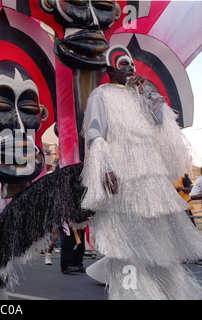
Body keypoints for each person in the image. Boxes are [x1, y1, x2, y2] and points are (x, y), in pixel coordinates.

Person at [81, 45, 202, 299]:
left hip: (150, 180)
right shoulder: (100, 96)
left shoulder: (142, 96)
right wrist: (105, 169)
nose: (131, 69)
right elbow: (95, 134)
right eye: (124, 64)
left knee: (159, 242)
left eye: (132, 65)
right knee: (126, 244)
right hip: (123, 181)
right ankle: (132, 293)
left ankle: (167, 291)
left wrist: (146, 94)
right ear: (110, 69)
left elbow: (161, 122)